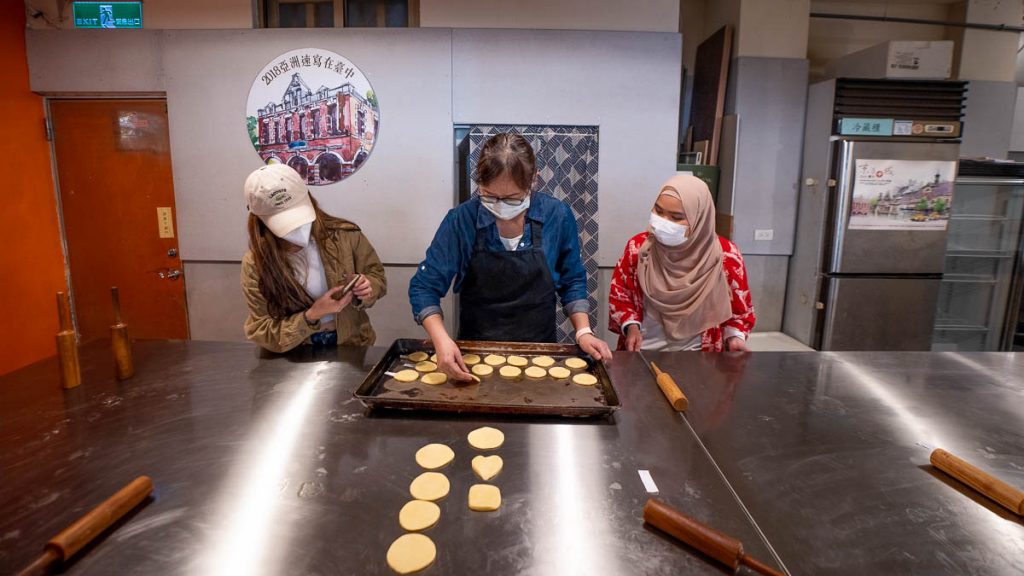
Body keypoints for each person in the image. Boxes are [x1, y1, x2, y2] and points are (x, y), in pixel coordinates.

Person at [409, 133, 612, 381]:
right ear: (479, 184)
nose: (500, 205)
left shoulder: (556, 216)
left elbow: (572, 281)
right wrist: (441, 339)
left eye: (512, 198)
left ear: (533, 182)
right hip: (476, 352)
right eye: (490, 196)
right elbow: (424, 286)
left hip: (541, 351)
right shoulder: (462, 220)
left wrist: (583, 331)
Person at [241, 163, 386, 352]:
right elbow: (262, 330)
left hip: (352, 345)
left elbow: (377, 276)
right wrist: (311, 315)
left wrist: (367, 287)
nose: (296, 231)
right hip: (294, 354)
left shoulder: (344, 235)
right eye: (284, 222)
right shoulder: (255, 264)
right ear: (260, 219)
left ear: (308, 198)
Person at [609, 174, 754, 352]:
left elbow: (740, 310)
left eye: (676, 217)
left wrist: (734, 337)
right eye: (659, 211)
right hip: (643, 351)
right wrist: (631, 326)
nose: (663, 222)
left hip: (700, 355)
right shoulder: (639, 248)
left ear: (699, 219)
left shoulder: (725, 257)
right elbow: (621, 295)